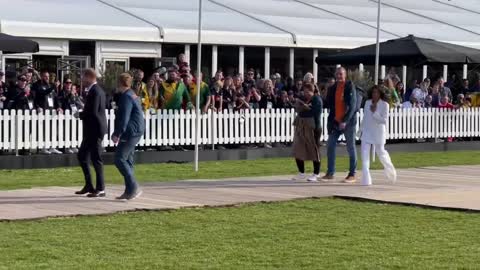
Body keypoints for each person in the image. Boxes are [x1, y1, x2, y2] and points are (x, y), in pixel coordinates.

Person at [111, 73, 145, 200]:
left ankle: (133, 186)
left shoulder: (126, 97)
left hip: (130, 131)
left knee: (119, 159)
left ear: (120, 83)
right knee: (128, 160)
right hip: (136, 130)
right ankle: (129, 191)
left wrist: (117, 133)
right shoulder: (132, 94)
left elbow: (124, 118)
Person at [76, 68, 107, 198]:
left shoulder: (95, 91)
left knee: (96, 159)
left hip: (95, 129)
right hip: (91, 130)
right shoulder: (94, 90)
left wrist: (80, 114)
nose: (82, 79)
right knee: (82, 156)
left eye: (83, 77)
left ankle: (100, 188)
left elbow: (93, 112)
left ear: (89, 77)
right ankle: (89, 185)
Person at [322, 67, 358, 182]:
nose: (339, 76)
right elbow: (329, 105)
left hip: (349, 121)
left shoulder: (349, 86)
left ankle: (352, 174)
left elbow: (352, 106)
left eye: (341, 74)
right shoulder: (333, 88)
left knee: (350, 147)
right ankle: (330, 172)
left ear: (345, 75)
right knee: (330, 145)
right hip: (336, 121)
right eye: (337, 74)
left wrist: (345, 121)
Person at [360, 85, 397, 186]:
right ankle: (366, 180)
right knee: (364, 156)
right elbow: (366, 118)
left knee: (381, 153)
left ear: (380, 94)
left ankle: (391, 172)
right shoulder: (367, 103)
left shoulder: (385, 105)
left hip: (378, 133)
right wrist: (361, 130)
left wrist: (375, 112)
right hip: (367, 132)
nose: (374, 94)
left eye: (376, 92)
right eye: (373, 92)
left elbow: (384, 121)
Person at [291, 83, 323, 182]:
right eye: (304, 92)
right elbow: (299, 110)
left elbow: (314, 112)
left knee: (314, 150)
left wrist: (304, 108)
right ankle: (301, 172)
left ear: (313, 91)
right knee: (298, 148)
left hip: (313, 128)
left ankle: (316, 173)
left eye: (308, 92)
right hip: (301, 126)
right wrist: (302, 106)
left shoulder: (317, 100)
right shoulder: (303, 98)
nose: (306, 94)